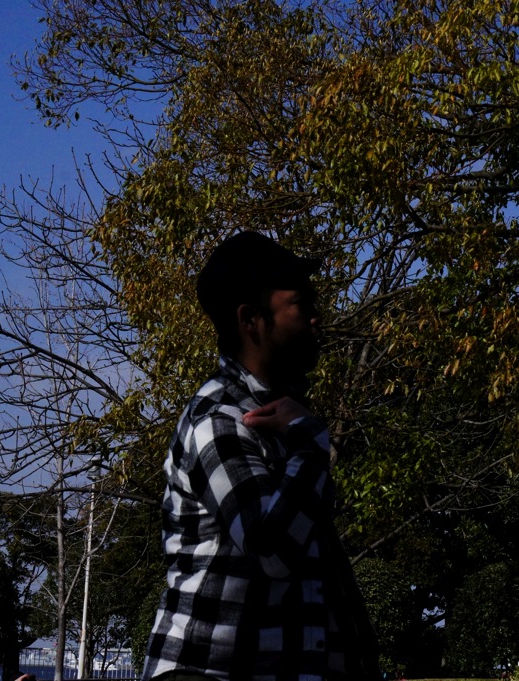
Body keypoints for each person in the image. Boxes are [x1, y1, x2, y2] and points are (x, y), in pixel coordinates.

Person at [141, 232, 379, 681]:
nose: (317, 316)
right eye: (300, 304)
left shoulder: (286, 419)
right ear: (251, 320)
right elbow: (272, 547)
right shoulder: (218, 420)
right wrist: (311, 445)